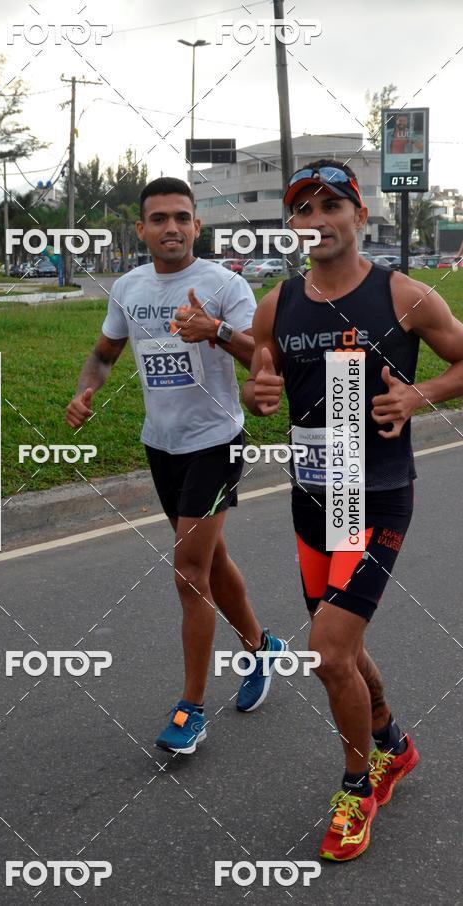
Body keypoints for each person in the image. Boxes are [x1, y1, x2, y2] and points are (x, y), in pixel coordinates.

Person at [243, 160, 463, 860]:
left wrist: (419, 396)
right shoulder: (277, 304)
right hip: (314, 496)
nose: (318, 219)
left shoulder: (404, 296)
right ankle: (392, 743)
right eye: (303, 209)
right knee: (341, 647)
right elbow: (261, 376)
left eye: (331, 205)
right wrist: (258, 394)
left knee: (329, 650)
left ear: (360, 216)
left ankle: (356, 787)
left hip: (380, 494)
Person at [66, 177, 286, 755]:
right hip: (160, 445)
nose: (172, 227)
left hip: (216, 441)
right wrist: (87, 390)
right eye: (159, 218)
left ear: (197, 226)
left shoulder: (225, 284)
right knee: (209, 559)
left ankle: (191, 709)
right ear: (141, 229)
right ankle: (262, 647)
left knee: (188, 571)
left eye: (182, 217)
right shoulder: (128, 287)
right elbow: (104, 354)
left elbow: (264, 359)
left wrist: (215, 330)